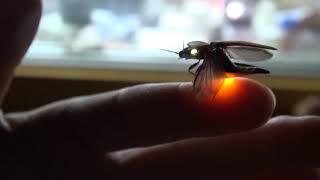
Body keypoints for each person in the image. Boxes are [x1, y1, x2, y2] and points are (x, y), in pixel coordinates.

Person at [0, 1, 320, 179]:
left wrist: (206, 80)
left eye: (188, 54)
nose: (188, 56)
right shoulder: (207, 54)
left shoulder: (208, 56)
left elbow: (206, 75)